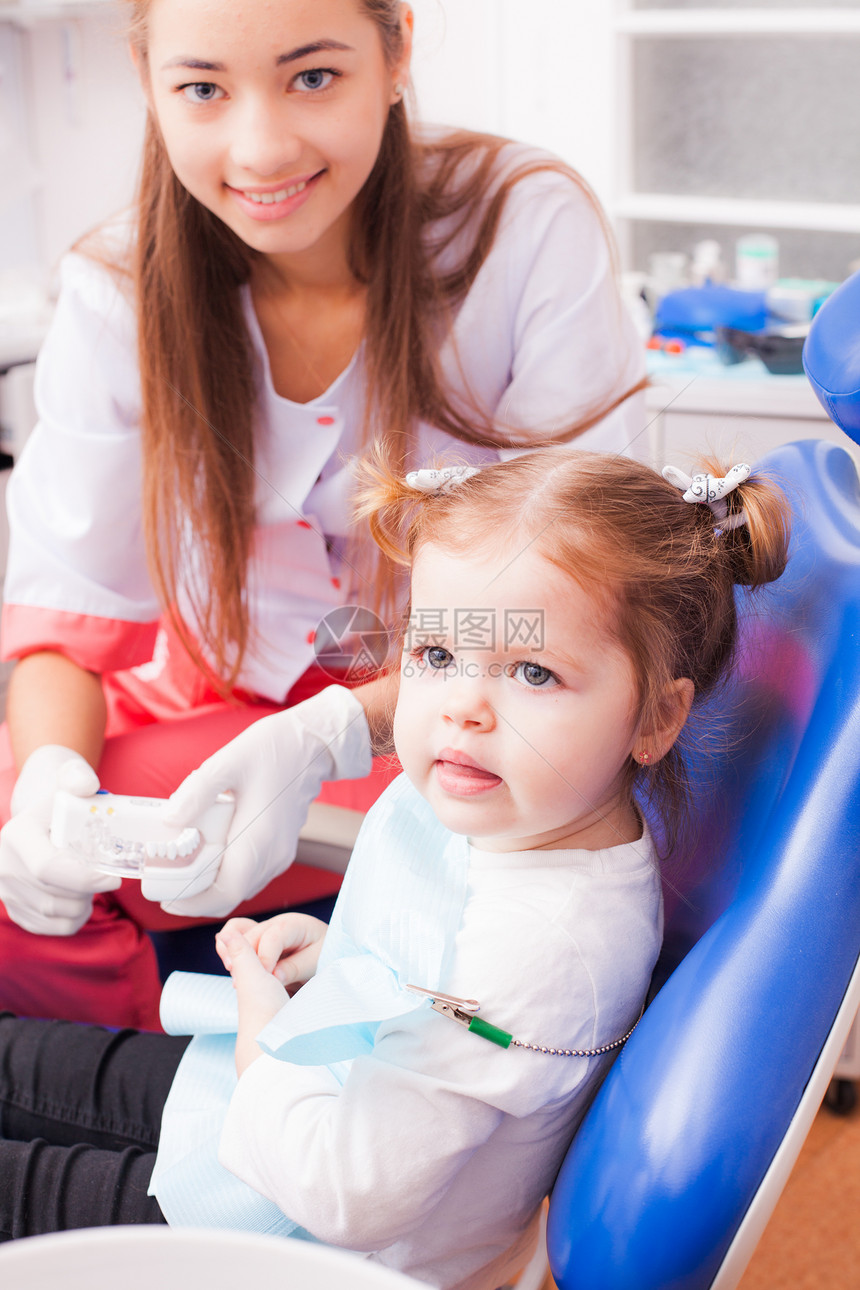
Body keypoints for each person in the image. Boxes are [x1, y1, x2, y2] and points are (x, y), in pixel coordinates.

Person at [0, 0, 649, 1031]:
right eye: (202, 88)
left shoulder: (519, 226)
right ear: (147, 79)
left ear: (394, 50)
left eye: (312, 77)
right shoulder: (117, 285)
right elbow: (65, 616)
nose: (259, 149)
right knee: (22, 870)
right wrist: (47, 783)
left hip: (458, 714)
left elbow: (594, 603)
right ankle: (132, 1141)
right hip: (200, 699)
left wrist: (334, 730)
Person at [0, 447, 790, 1288]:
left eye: (534, 671)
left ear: (658, 717)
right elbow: (433, 961)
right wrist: (339, 960)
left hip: (313, 1242)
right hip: (293, 1113)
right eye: (439, 655)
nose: (463, 709)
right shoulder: (519, 809)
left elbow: (348, 1196)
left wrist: (265, 1019)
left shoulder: (543, 942)